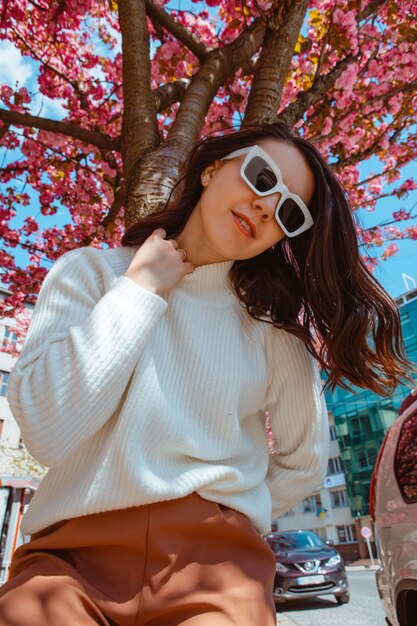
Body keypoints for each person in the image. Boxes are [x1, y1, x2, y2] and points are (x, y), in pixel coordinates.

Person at [0, 122, 413, 626]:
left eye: (287, 211)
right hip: (67, 564)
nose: (266, 205)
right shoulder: (89, 274)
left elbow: (304, 464)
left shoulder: (273, 333)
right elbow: (45, 430)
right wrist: (140, 290)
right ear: (212, 168)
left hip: (217, 571)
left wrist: (227, 503)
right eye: (262, 177)